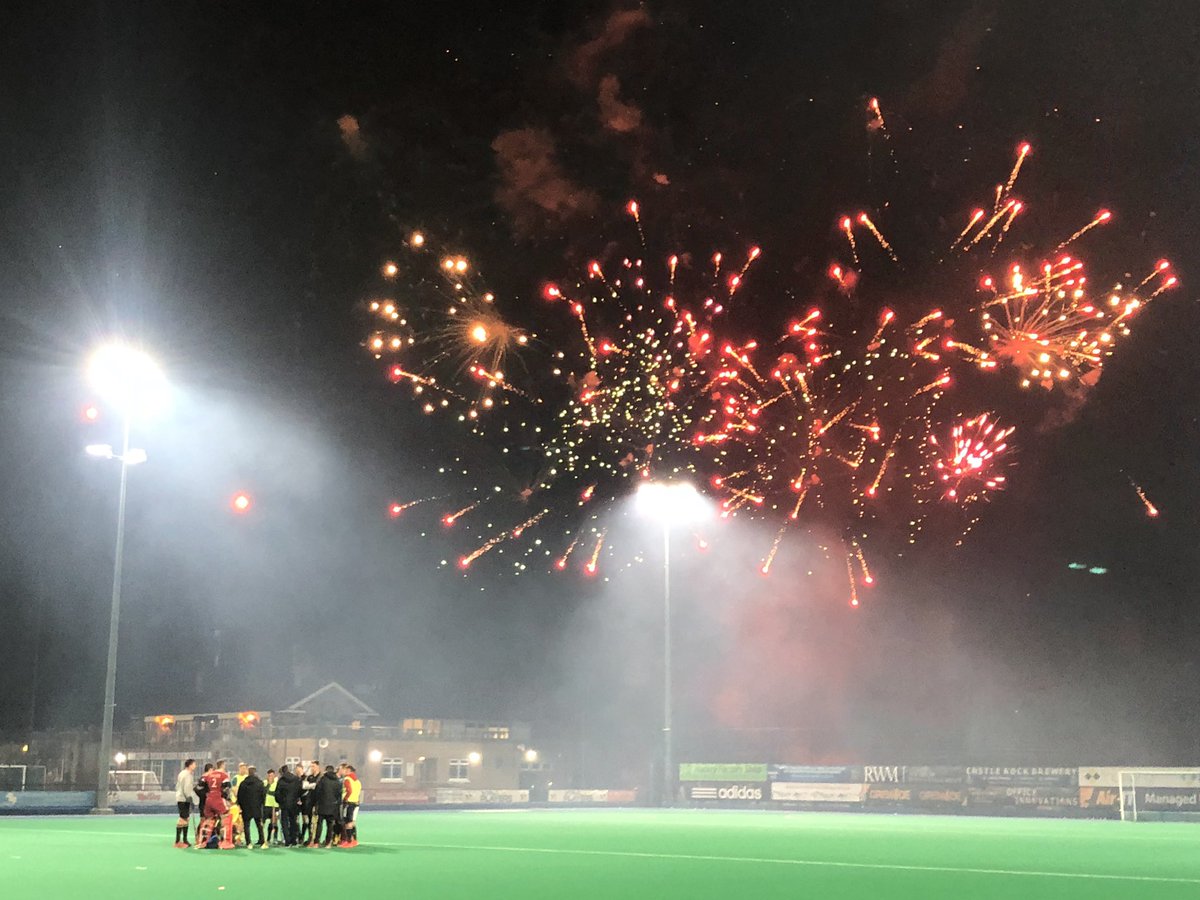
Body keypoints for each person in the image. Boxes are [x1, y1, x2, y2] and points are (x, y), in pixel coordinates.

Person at [202, 759, 232, 848]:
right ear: (222, 765)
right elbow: (227, 789)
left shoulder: (208, 774)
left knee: (208, 820)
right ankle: (225, 842)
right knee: (225, 818)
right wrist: (228, 799)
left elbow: (200, 785)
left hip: (209, 798)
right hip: (218, 798)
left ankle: (203, 841)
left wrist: (206, 794)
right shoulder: (224, 775)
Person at [236, 765, 267, 848]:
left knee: (246, 825)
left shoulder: (243, 783)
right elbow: (263, 795)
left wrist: (241, 806)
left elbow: (239, 796)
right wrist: (262, 804)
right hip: (257, 807)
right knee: (259, 825)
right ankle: (262, 842)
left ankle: (248, 843)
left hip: (246, 808)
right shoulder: (260, 783)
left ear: (248, 773)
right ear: (255, 772)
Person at [314, 765, 343, 847]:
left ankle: (316, 842)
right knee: (330, 825)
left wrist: (317, 802)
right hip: (332, 806)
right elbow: (339, 793)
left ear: (326, 771)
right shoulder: (337, 781)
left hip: (322, 805)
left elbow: (317, 791)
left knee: (319, 824)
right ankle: (328, 843)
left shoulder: (322, 780)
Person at [274, 764, 301, 847]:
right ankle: (294, 840)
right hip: (294, 804)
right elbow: (299, 791)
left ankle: (287, 840)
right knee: (293, 822)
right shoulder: (296, 779)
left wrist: (280, 802)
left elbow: (277, 794)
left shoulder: (281, 781)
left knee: (284, 823)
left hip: (284, 805)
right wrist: (296, 799)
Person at [173, 758, 197, 847]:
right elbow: (187, 787)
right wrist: (189, 797)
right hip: (184, 799)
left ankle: (184, 840)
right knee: (183, 819)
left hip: (181, 797)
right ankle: (178, 841)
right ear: (190, 765)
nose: (195, 766)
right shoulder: (187, 775)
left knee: (186, 818)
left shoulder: (182, 773)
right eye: (194, 764)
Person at [339, 764, 361, 848]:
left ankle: (349, 841)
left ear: (349, 771)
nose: (345, 771)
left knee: (347, 822)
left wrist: (345, 799)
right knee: (352, 822)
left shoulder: (347, 779)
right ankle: (354, 840)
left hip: (348, 802)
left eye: (346, 770)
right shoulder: (358, 781)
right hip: (356, 802)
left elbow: (349, 790)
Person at [300, 761, 320, 846]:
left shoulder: (320, 777)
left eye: (313, 766)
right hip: (309, 802)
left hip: (317, 802)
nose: (312, 768)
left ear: (318, 767)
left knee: (315, 822)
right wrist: (312, 785)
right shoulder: (310, 777)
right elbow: (304, 786)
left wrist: (310, 785)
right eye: (311, 766)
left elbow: (317, 786)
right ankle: (310, 838)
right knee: (310, 821)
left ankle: (314, 840)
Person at [264, 769, 280, 845]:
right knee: (264, 822)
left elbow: (277, 793)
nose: (271, 777)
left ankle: (275, 838)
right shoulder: (265, 783)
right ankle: (266, 838)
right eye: (269, 775)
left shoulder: (277, 783)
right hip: (266, 806)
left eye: (272, 775)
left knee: (274, 822)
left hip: (275, 806)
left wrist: (271, 793)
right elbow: (264, 791)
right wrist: (269, 784)